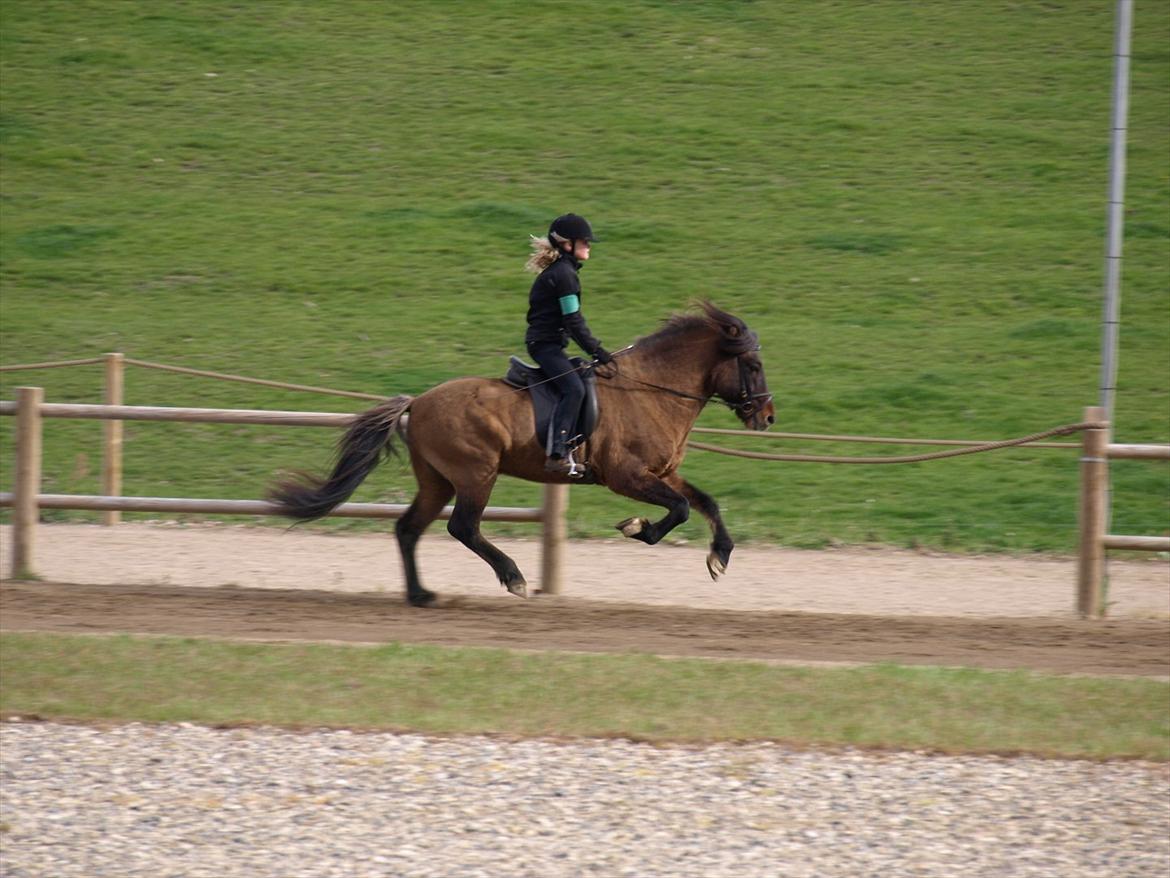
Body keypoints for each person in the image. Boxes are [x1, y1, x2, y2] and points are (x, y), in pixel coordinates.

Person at [524, 213, 613, 475]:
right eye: (584, 241)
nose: (589, 245)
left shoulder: (563, 271)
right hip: (544, 346)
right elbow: (573, 321)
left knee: (582, 374)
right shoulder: (564, 275)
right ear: (566, 244)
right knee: (573, 389)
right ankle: (557, 453)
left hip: (550, 344)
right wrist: (597, 350)